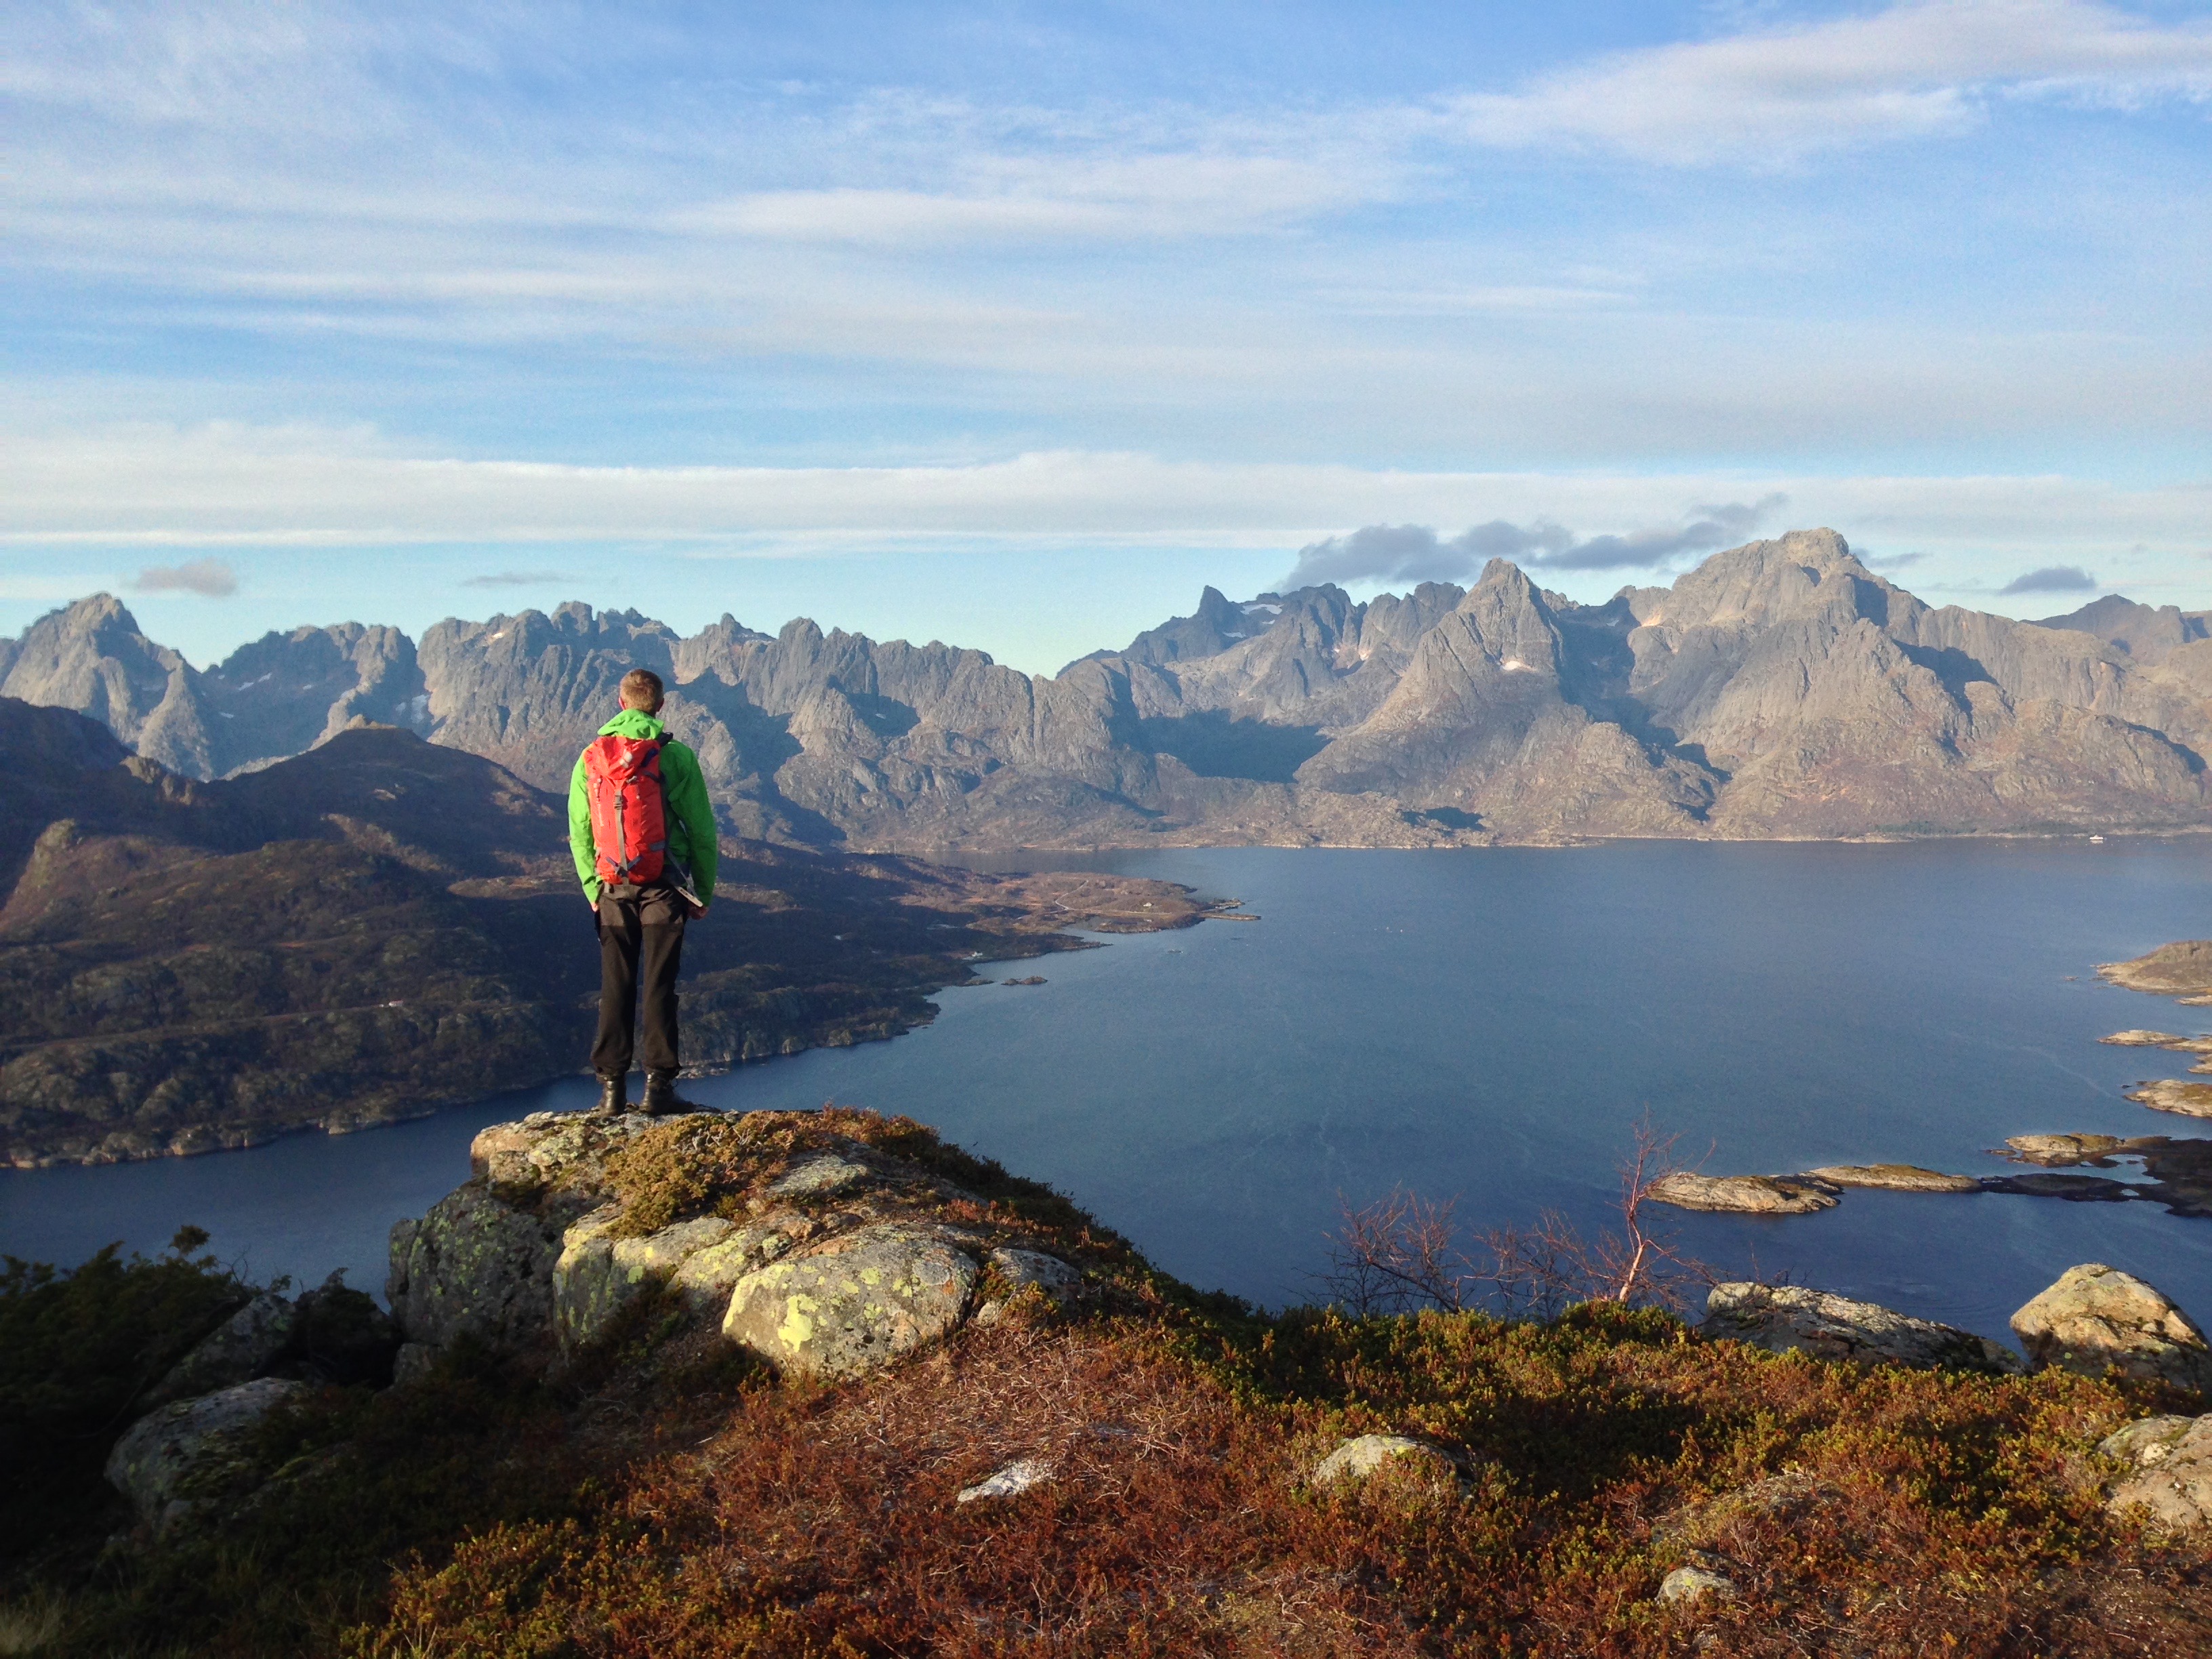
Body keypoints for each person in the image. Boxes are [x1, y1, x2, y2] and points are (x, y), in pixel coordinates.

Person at [569, 668, 718, 1115]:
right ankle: (659, 1089)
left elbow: (580, 831)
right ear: (661, 705)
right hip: (663, 888)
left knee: (616, 985)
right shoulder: (676, 757)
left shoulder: (591, 757)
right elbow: (702, 833)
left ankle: (611, 1091)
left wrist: (593, 888)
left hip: (613, 887)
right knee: (659, 985)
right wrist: (703, 892)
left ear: (621, 704)